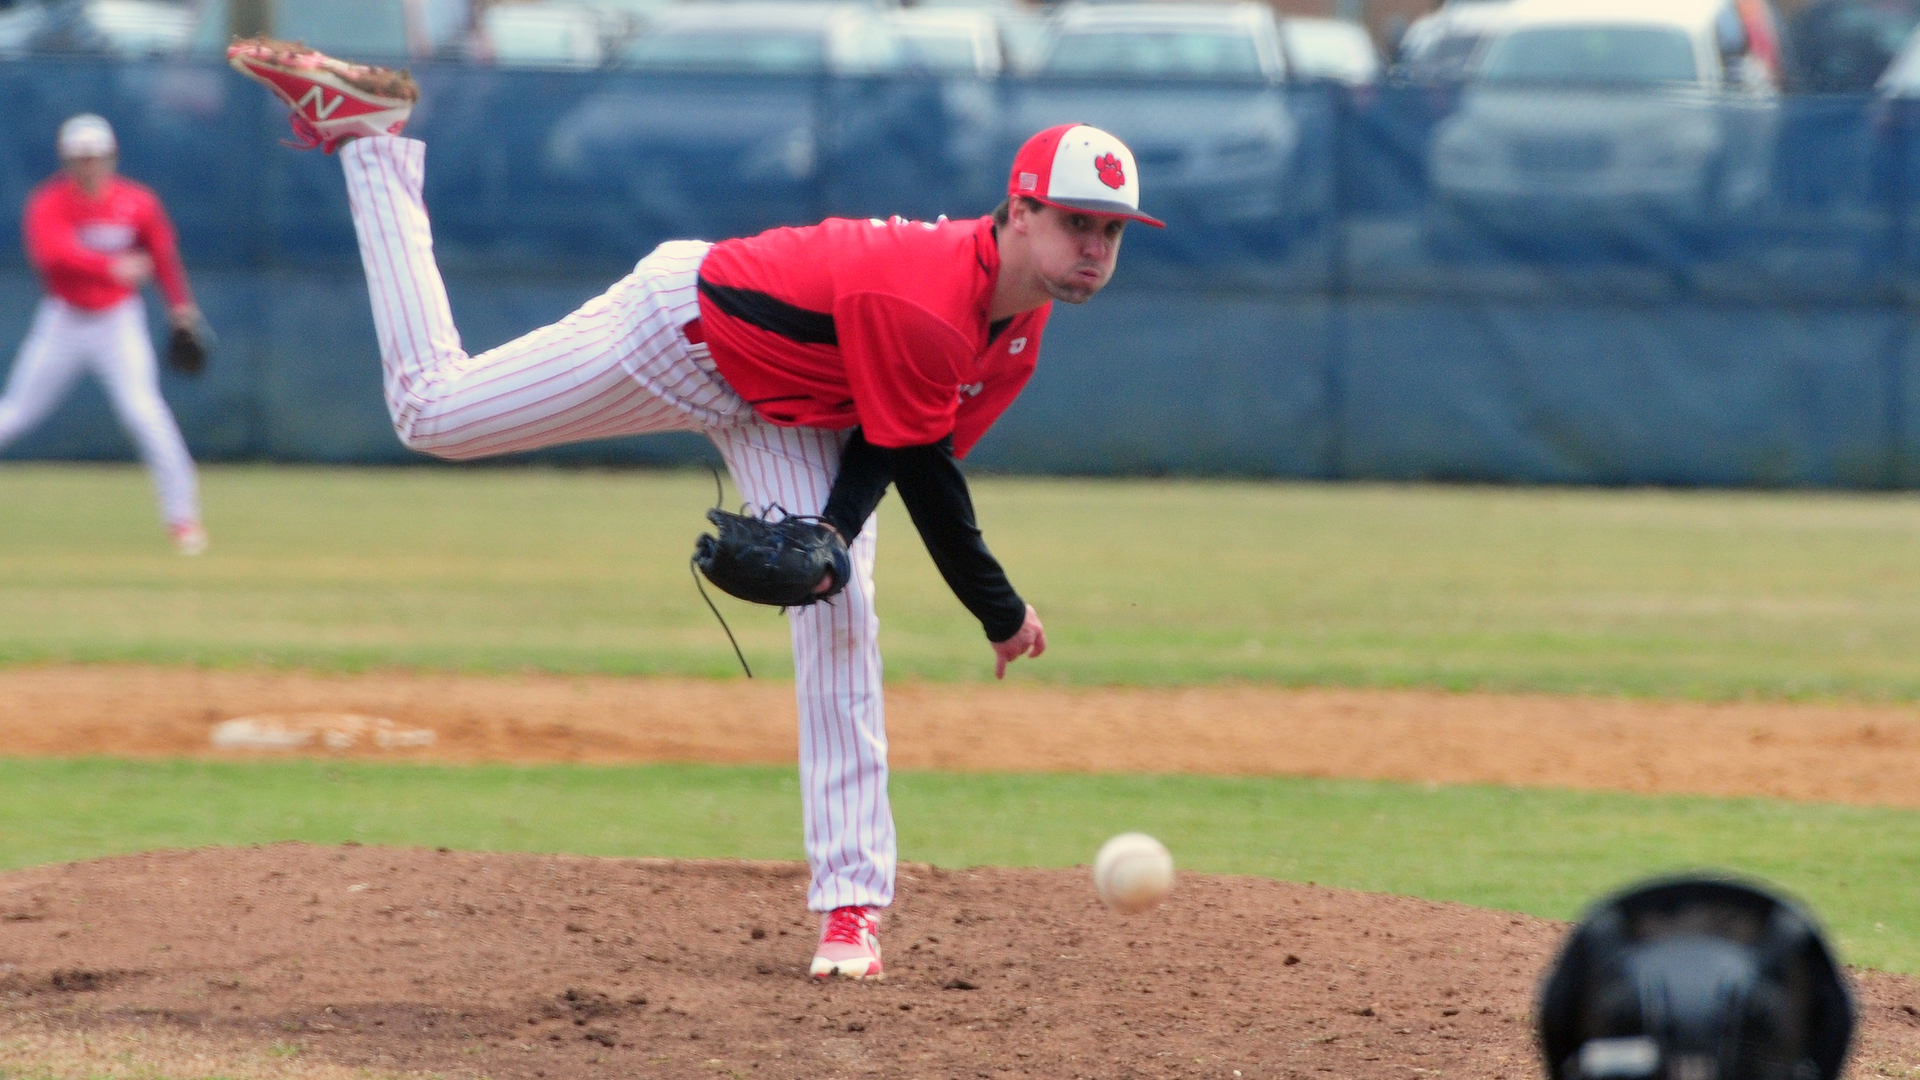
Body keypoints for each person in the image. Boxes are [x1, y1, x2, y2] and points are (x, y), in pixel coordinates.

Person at [227, 37, 1163, 981]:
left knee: (841, 612)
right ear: (1018, 210)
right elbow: (926, 473)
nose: (1094, 248)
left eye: (1112, 232)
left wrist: (831, 540)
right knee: (431, 411)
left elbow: (893, 442)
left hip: (795, 412)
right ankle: (374, 142)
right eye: (1077, 222)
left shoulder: (1017, 332)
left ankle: (851, 910)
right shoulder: (930, 298)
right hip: (682, 332)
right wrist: (998, 611)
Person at [0, 114, 208, 554]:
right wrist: (109, 265)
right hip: (64, 320)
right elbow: (51, 253)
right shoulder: (49, 202)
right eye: (79, 158)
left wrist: (181, 309)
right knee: (15, 414)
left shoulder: (138, 203)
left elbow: (163, 255)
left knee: (144, 413)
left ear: (111, 157)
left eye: (95, 157)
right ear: (66, 160)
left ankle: (183, 520)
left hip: (117, 322)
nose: (88, 166)